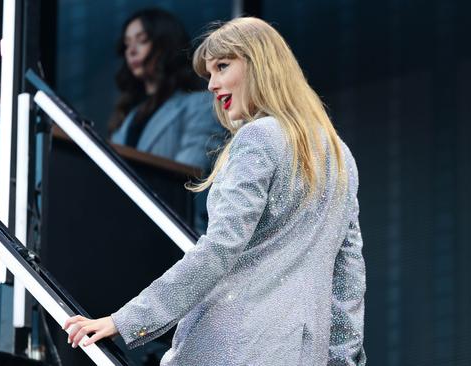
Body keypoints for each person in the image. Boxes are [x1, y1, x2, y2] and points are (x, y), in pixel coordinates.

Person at [64, 17, 366, 365]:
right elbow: (348, 286)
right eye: (209, 74)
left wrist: (128, 320)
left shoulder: (259, 137)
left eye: (223, 66)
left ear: (261, 64)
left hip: (233, 346)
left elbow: (219, 248)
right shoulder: (341, 157)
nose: (211, 85)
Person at [109, 8, 224, 174]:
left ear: (165, 45)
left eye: (142, 40)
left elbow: (189, 171)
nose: (131, 51)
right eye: (127, 44)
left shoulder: (201, 104)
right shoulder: (129, 115)